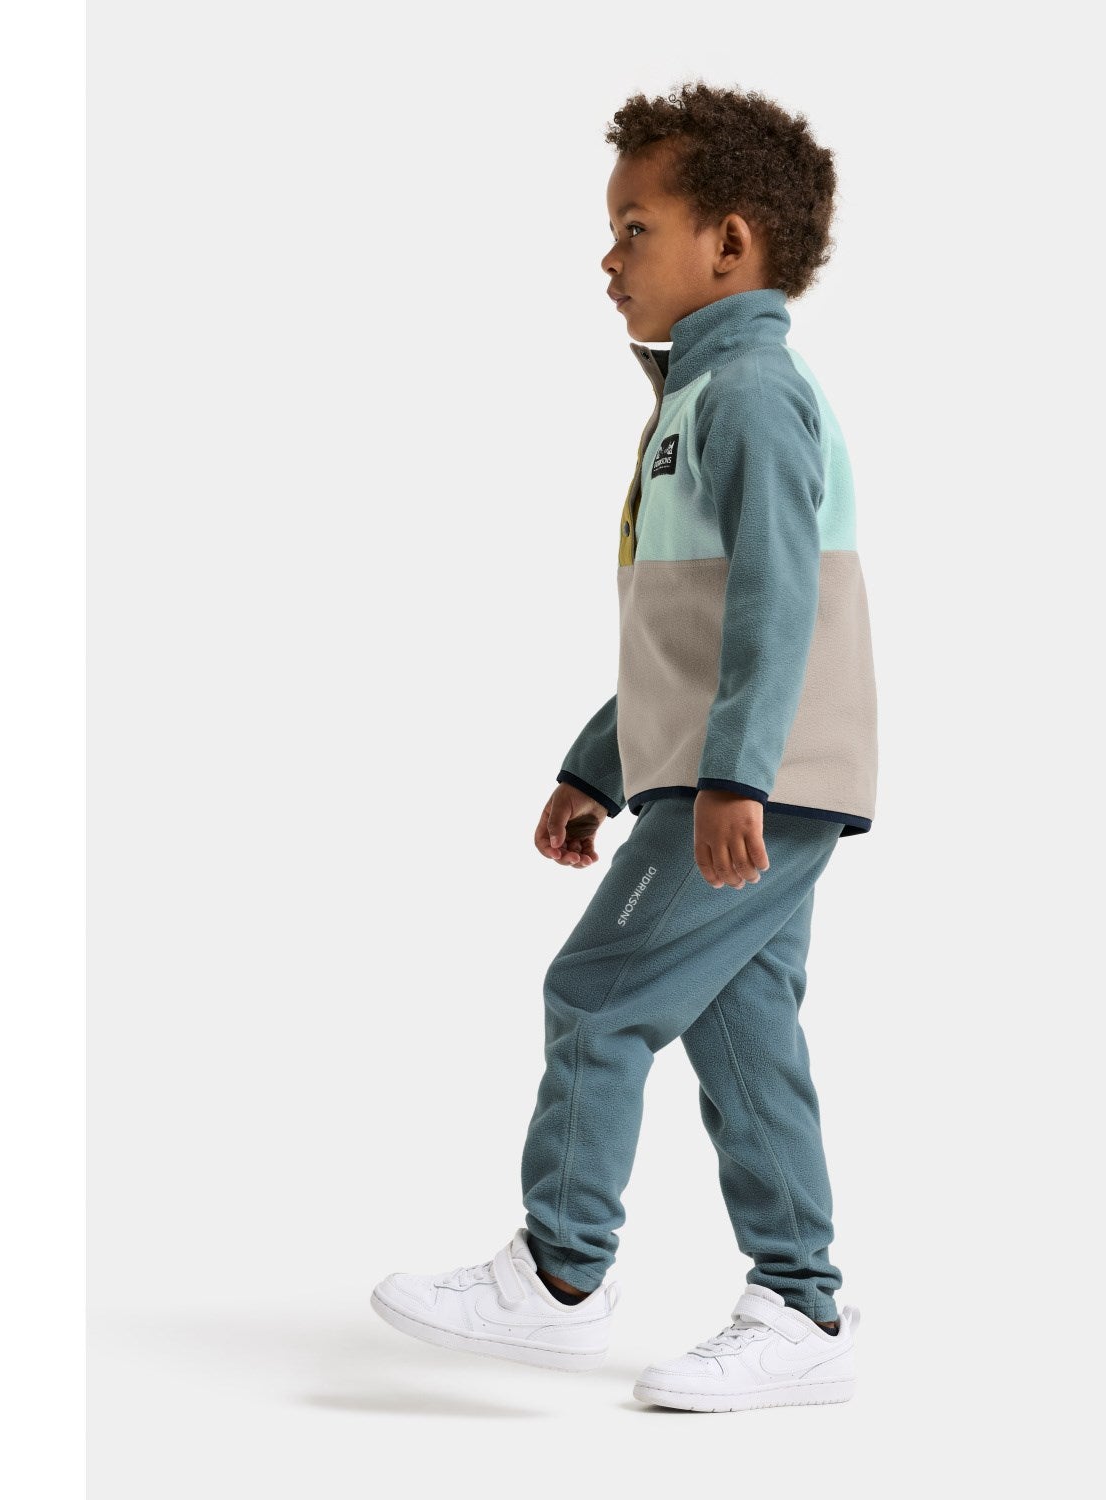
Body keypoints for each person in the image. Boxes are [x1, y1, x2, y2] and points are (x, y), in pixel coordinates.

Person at [371, 80, 878, 1414]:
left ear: (730, 243)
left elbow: (777, 602)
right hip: (738, 773)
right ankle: (803, 1308)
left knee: (597, 997)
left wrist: (736, 776)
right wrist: (597, 762)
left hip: (755, 781)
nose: (609, 258)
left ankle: (558, 1277)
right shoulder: (695, 398)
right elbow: (686, 635)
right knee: (745, 1038)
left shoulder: (749, 393)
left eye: (634, 228)